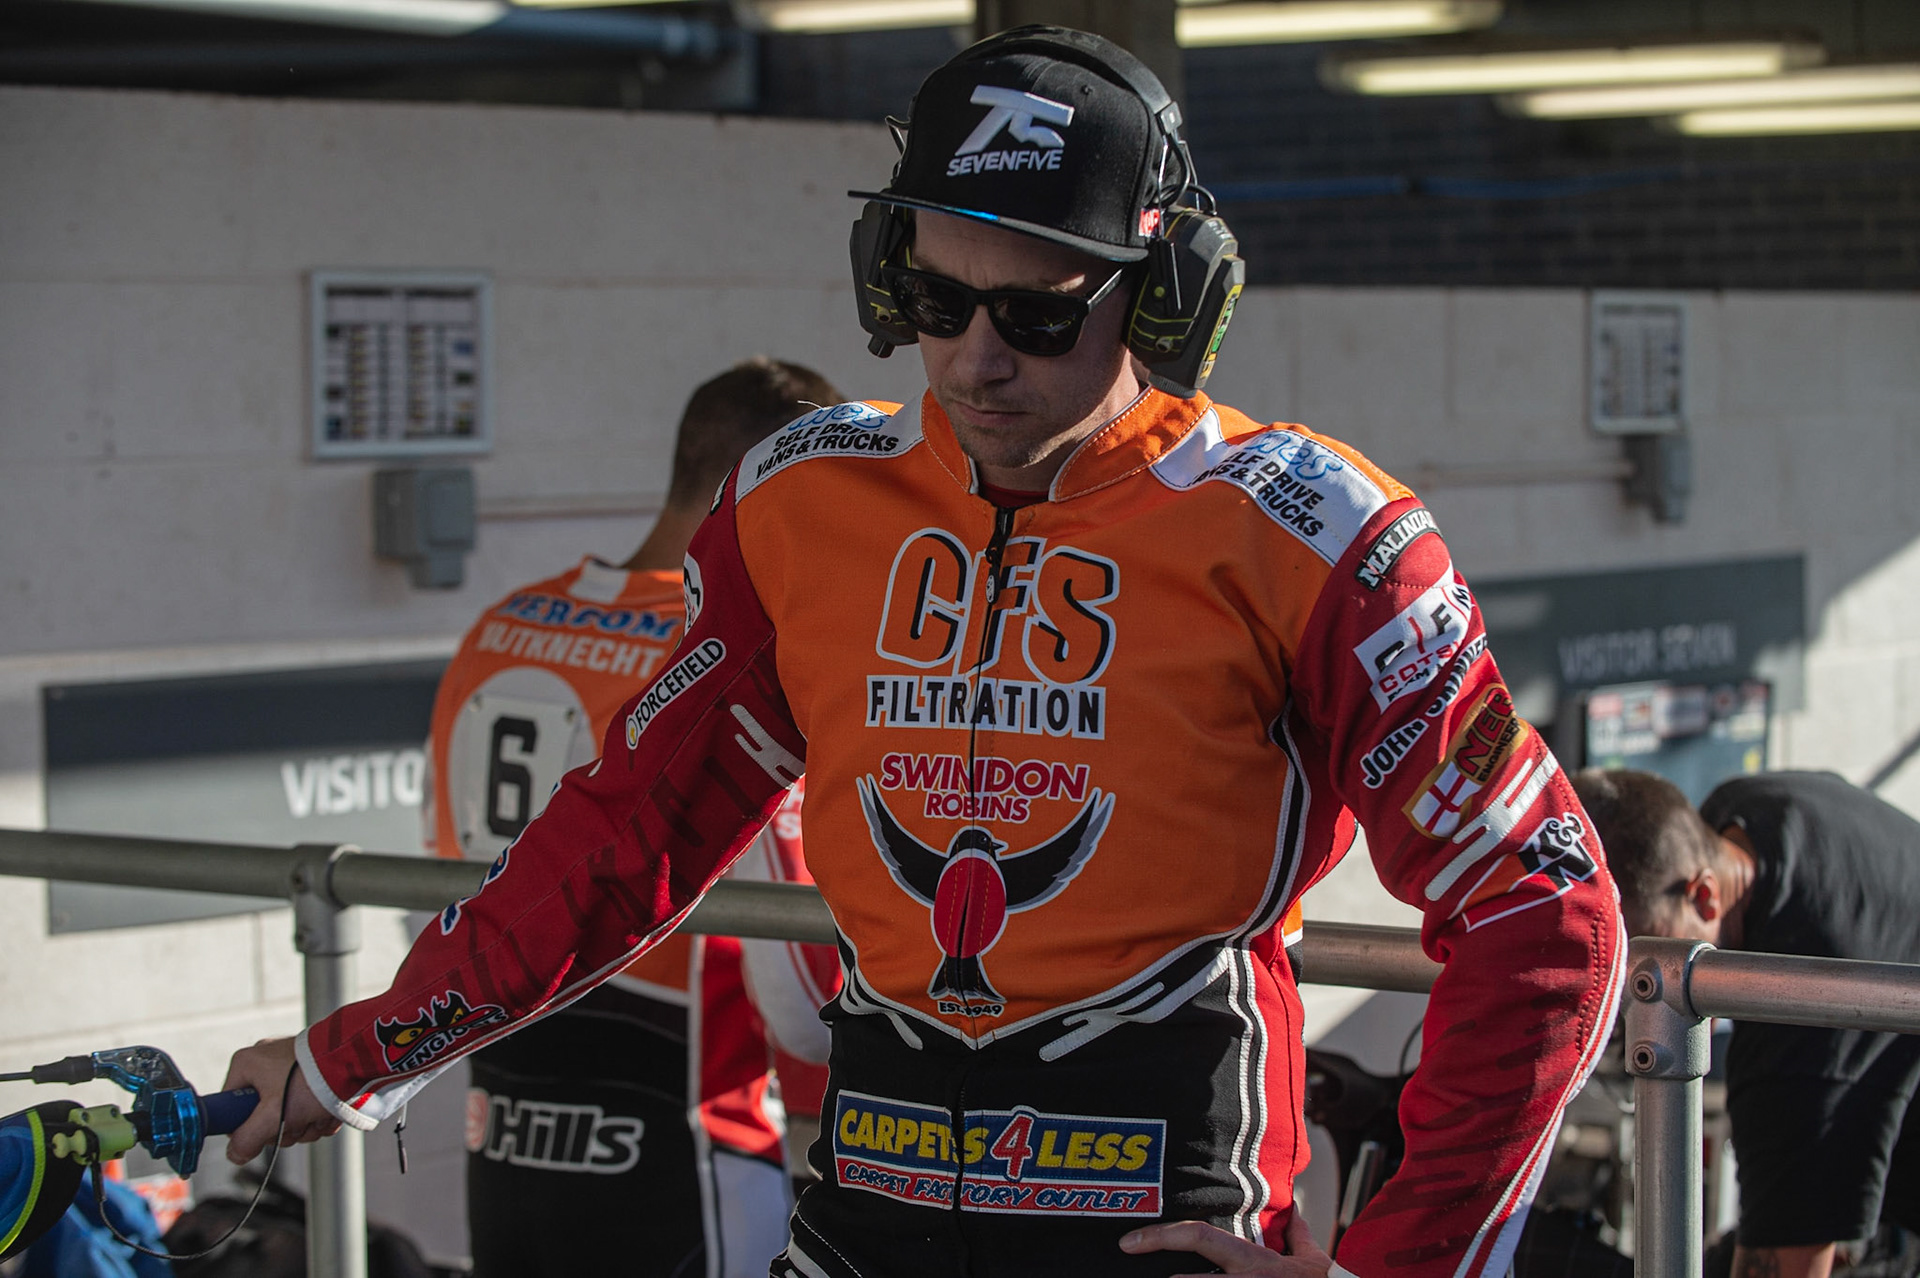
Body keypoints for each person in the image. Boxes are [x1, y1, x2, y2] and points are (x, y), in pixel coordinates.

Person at [223, 27, 1623, 1278]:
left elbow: (1546, 915)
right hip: (860, 1206)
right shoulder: (796, 497)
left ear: (1164, 298)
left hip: (1155, 1217)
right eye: (935, 297)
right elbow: (630, 828)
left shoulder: (1318, 534)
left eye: (1036, 312)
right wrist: (359, 1058)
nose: (969, 358)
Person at [421, 358, 845, 1277]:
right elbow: (800, 1003)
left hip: (502, 1122)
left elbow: (441, 876)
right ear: (773, 482)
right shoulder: (726, 657)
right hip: (680, 1133)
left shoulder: (495, 627)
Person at [1571, 768, 1920, 1278]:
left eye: (1643, 975)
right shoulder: (1748, 808)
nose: (1634, 1003)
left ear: (1704, 896)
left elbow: (1793, 1263)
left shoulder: (1800, 1025)